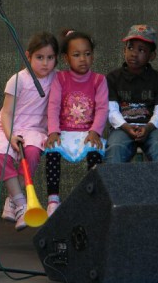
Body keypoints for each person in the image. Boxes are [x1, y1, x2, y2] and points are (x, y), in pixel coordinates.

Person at [0, 31, 58, 231]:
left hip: (36, 128)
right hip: (9, 125)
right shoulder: (17, 79)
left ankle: (13, 199)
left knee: (33, 151)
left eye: (50, 58)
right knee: (1, 153)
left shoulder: (57, 79)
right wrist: (10, 135)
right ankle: (21, 204)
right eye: (39, 57)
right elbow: (7, 113)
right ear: (28, 56)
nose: (45, 63)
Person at [44, 29, 108, 217]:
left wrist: (95, 131)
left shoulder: (99, 80)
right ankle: (53, 198)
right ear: (66, 58)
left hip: (88, 131)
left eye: (87, 54)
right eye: (77, 55)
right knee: (53, 151)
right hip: (64, 131)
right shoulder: (60, 78)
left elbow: (103, 108)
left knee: (95, 153)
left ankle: (92, 196)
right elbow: (54, 106)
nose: (83, 59)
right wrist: (53, 131)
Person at [105, 24, 158, 163]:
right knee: (115, 148)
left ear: (152, 56)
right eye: (130, 48)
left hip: (151, 128)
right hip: (122, 128)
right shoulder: (112, 78)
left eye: (141, 50)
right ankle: (115, 185)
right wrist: (126, 127)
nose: (134, 53)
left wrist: (148, 128)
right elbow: (111, 110)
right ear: (124, 51)